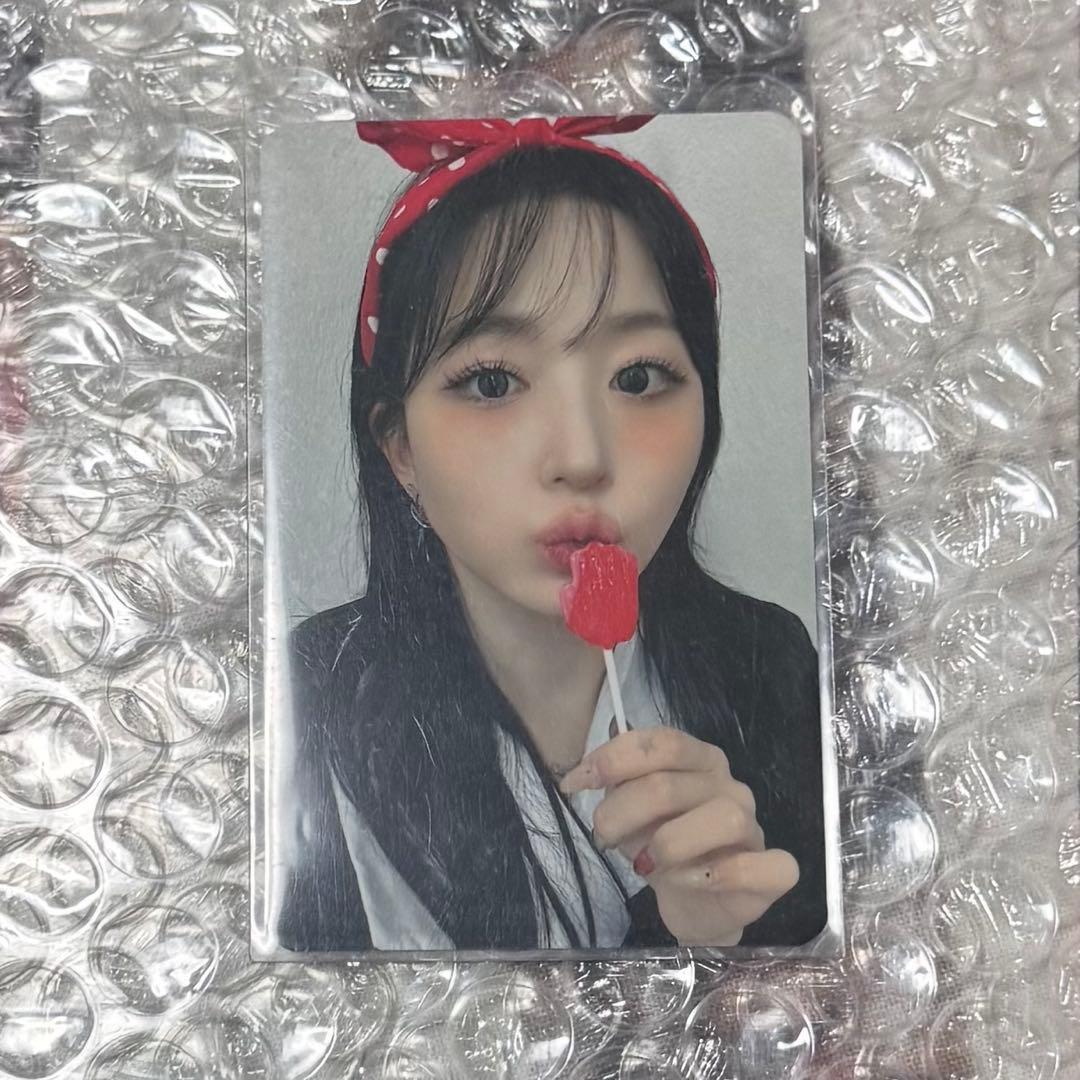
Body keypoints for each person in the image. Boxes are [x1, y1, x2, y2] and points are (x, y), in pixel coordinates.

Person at [277, 116, 826, 952]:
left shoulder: (772, 668)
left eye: (638, 377)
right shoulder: (306, 700)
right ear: (400, 449)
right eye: (493, 383)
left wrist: (722, 937)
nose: (583, 458)